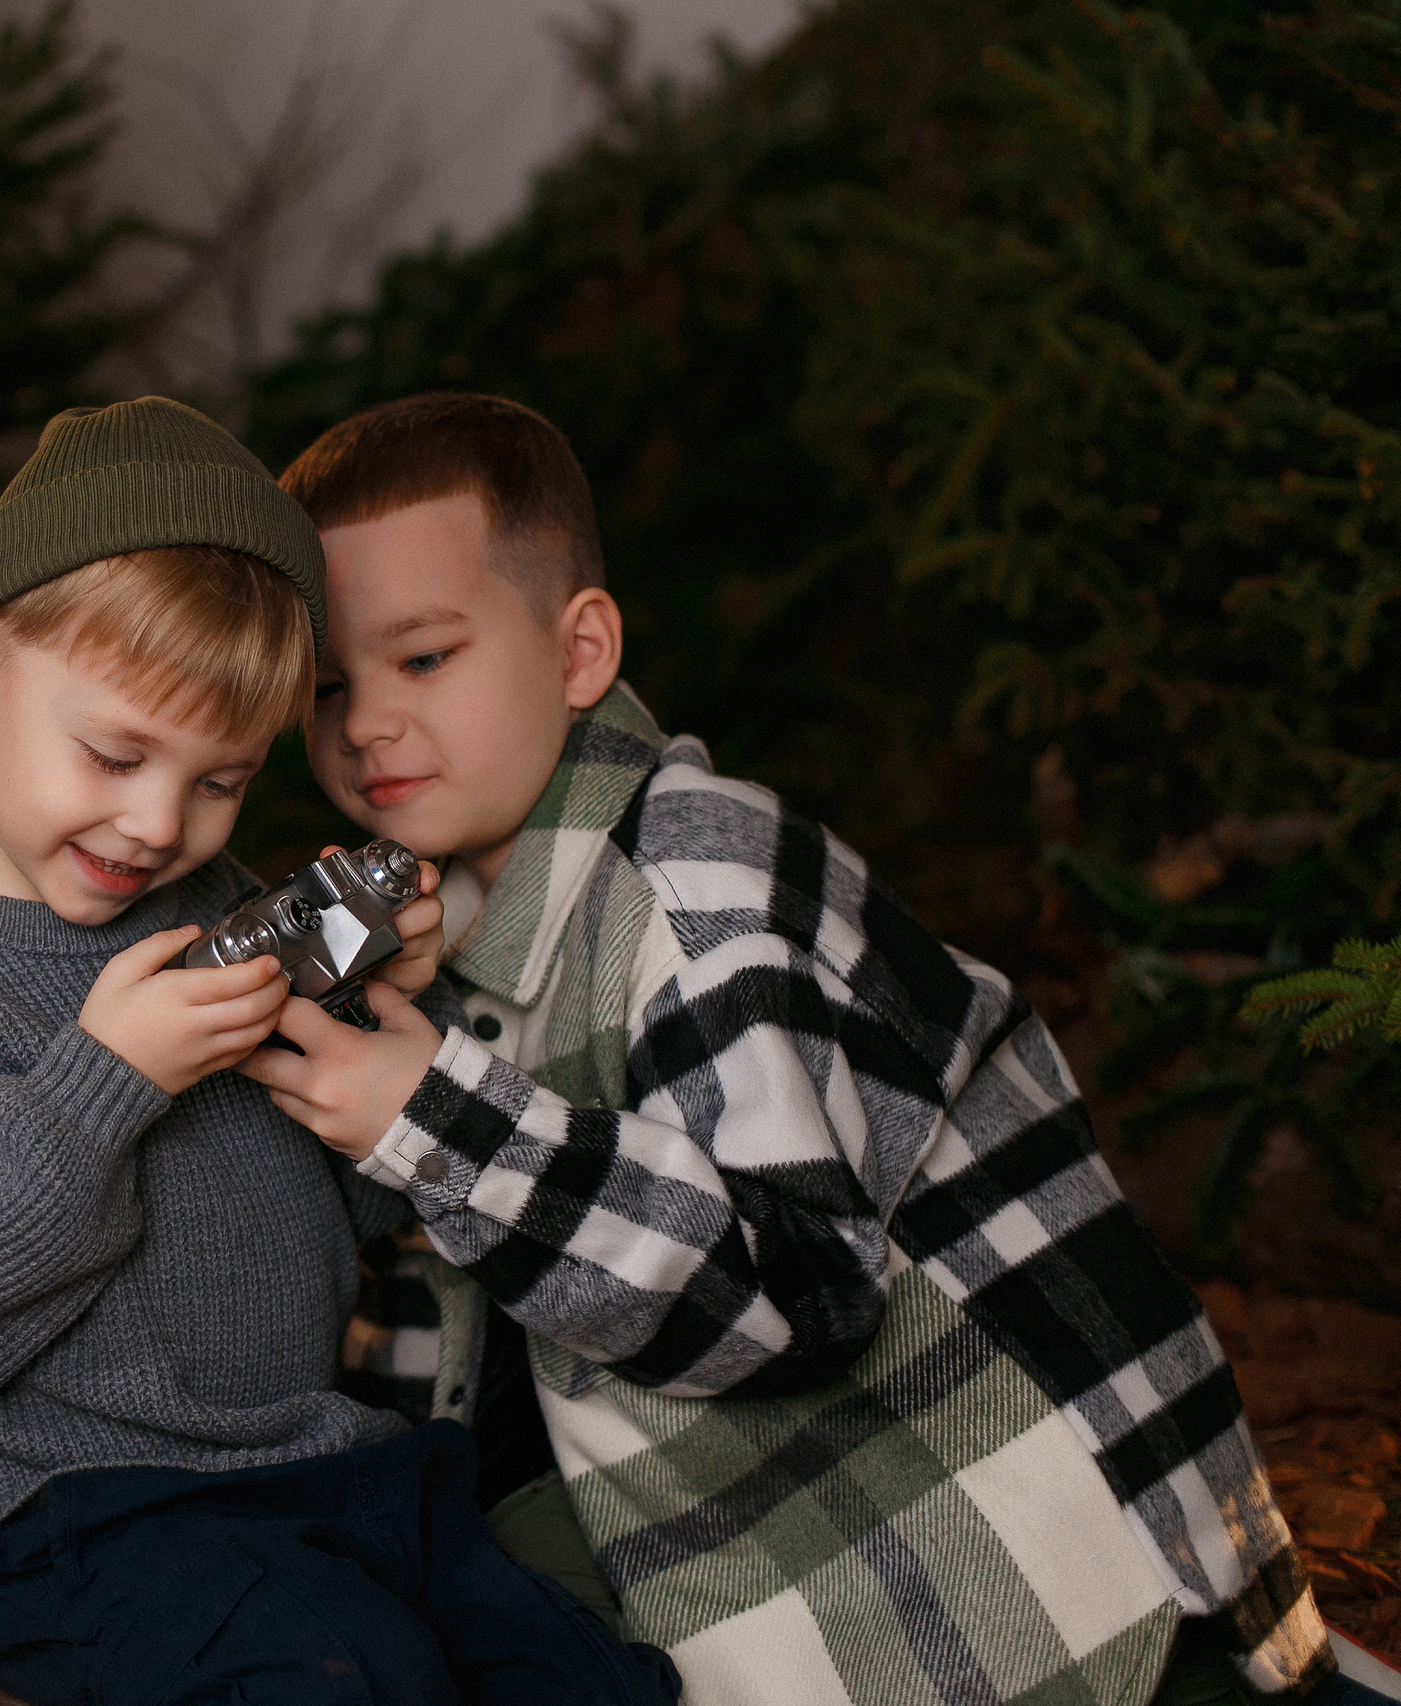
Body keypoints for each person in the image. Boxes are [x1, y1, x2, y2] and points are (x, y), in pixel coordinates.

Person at [240, 392, 1352, 1706]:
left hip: (1057, 1596)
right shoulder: (454, 913)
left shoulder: (696, 882)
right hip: (783, 1566)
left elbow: (797, 1292)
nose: (365, 721)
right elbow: (467, 1331)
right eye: (326, 688)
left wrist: (431, 1117)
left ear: (579, 650)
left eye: (424, 659)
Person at [0, 396, 683, 1706]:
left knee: (576, 1673)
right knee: (339, 1677)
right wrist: (104, 1084)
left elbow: (342, 1205)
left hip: (308, 1466)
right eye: (114, 755)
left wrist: (369, 1022)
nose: (156, 822)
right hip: (64, 1509)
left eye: (219, 780)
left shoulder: (213, 916)